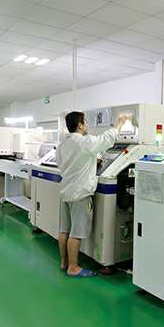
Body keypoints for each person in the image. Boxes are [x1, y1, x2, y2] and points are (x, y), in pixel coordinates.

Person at [56, 111, 130, 278]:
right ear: (80, 125)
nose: (87, 125)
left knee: (64, 230)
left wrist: (90, 160)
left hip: (66, 191)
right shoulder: (85, 141)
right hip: (80, 194)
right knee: (76, 233)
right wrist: (120, 122)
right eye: (86, 122)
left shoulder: (63, 144)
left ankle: (64, 262)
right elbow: (106, 139)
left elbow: (65, 164)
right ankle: (73, 267)